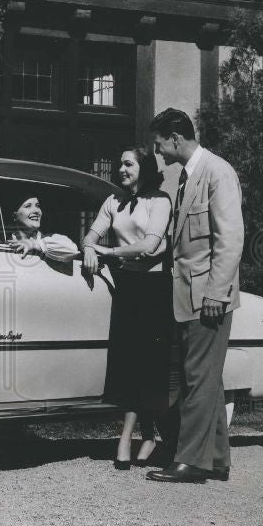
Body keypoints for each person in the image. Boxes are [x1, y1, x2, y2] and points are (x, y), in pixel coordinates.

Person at [145, 108, 244, 484]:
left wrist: (217, 293)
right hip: (190, 296)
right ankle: (216, 459)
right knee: (205, 378)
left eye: (160, 145)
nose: (159, 153)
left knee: (197, 378)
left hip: (208, 296)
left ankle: (191, 462)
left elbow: (230, 239)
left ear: (175, 137)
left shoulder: (217, 172)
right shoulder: (188, 178)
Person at [80, 147, 175, 470]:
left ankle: (128, 438)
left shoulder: (160, 201)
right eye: (119, 163)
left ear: (144, 168)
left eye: (127, 164)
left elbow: (150, 245)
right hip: (126, 288)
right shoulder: (114, 201)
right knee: (128, 365)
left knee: (147, 367)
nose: (121, 169)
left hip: (154, 290)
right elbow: (90, 235)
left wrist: (107, 252)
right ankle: (147, 435)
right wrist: (90, 248)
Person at [7, 195, 80, 261]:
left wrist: (34, 244)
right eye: (28, 206)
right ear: (14, 216)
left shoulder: (53, 239)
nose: (36, 210)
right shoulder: (2, 241)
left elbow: (73, 250)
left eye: (37, 206)